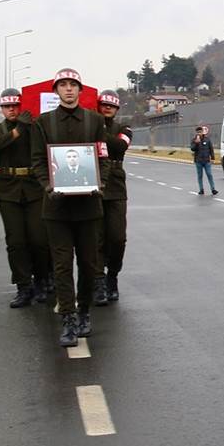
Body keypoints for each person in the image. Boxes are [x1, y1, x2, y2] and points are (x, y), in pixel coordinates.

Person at [31, 68, 110, 347]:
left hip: (89, 206)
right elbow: (38, 160)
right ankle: (68, 318)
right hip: (57, 208)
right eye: (62, 85)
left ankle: (85, 310)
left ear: (80, 89)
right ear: (56, 91)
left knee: (89, 265)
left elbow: (104, 158)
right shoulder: (43, 123)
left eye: (73, 85)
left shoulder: (95, 121)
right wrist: (48, 186)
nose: (68, 89)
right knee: (63, 266)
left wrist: (101, 184)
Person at [0, 88, 48, 308]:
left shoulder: (33, 127)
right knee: (15, 241)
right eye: (7, 107)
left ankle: (42, 279)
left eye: (15, 106)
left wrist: (28, 126)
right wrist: (18, 129)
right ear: (1, 109)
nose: (12, 110)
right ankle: (23, 285)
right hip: (9, 188)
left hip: (33, 186)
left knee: (39, 239)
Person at [94, 90, 132, 305]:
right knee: (96, 237)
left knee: (117, 237)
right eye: (104, 104)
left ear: (117, 109)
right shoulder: (90, 125)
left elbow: (120, 146)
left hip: (116, 186)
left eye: (112, 105)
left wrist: (98, 132)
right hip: (94, 180)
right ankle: (98, 280)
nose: (107, 108)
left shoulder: (123, 129)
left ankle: (112, 276)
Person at [191, 125, 218, 196]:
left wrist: (212, 158)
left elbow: (211, 149)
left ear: (202, 132)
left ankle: (213, 189)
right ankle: (201, 189)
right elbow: (192, 148)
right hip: (198, 161)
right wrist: (196, 143)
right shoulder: (194, 140)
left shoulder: (207, 139)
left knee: (209, 174)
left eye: (200, 132)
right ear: (196, 133)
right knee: (200, 176)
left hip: (206, 161)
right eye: (198, 132)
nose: (199, 133)